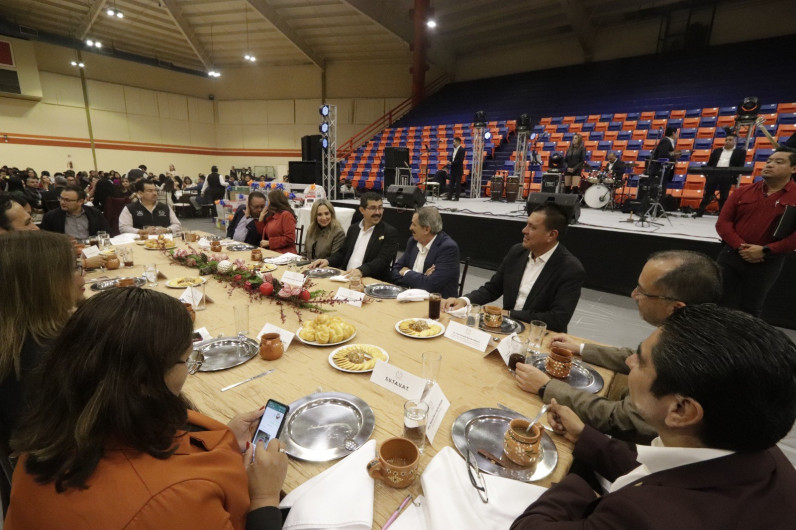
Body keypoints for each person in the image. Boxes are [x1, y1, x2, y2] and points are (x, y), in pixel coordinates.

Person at [5, 288, 288, 529]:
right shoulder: (174, 499)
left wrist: (221, 440)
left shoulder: (51, 437)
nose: (188, 371)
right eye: (186, 360)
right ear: (144, 380)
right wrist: (265, 497)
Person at [511, 304, 796, 529]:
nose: (629, 361)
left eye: (641, 360)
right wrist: (585, 436)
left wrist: (576, 484)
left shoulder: (640, 515)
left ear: (681, 410)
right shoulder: (761, 451)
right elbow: (658, 471)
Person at [515, 250, 722, 443]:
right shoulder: (694, 330)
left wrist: (546, 386)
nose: (633, 295)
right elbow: (634, 355)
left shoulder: (684, 358)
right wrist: (581, 348)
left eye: (642, 291)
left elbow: (621, 418)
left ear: (675, 307)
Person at [0, 231, 84, 450]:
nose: (82, 276)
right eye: (74, 267)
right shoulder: (50, 356)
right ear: (44, 284)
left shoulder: (15, 339)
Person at [443, 203, 584, 332]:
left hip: (540, 336)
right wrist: (465, 300)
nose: (524, 230)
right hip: (507, 328)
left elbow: (557, 320)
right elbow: (492, 288)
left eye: (532, 227)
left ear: (551, 235)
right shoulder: (517, 252)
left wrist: (508, 314)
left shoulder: (570, 269)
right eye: (526, 224)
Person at [715, 147, 796, 317]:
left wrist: (765, 250)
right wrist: (741, 247)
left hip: (767, 261)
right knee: (717, 301)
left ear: (793, 169)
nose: (770, 165)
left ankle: (743, 343)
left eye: (778, 162)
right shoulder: (742, 191)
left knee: (750, 308)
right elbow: (723, 223)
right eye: (768, 161)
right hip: (731, 255)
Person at [309, 192, 399, 281]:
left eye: (380, 208)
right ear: (362, 210)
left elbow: (383, 261)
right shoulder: (354, 229)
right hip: (345, 277)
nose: (378, 212)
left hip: (369, 279)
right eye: (373, 208)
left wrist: (361, 271)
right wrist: (328, 261)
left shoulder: (388, 232)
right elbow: (342, 253)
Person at [391, 206, 460, 298]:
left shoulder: (448, 248)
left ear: (427, 229)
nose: (410, 228)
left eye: (414, 225)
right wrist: (422, 277)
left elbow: (430, 285)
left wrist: (406, 272)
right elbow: (395, 271)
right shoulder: (413, 242)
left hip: (437, 305)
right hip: (410, 298)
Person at [694, 132, 747, 217]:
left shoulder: (740, 152)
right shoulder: (717, 150)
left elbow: (740, 166)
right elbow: (710, 163)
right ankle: (699, 212)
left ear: (735, 142)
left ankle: (722, 214)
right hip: (714, 174)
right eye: (726, 140)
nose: (727, 141)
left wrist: (733, 175)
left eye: (730, 140)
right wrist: (708, 173)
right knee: (707, 194)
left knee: (724, 196)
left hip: (727, 175)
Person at [40, 184, 110, 239]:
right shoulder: (50, 217)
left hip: (92, 250)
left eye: (67, 200)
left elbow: (107, 232)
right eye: (61, 198)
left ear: (80, 202)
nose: (62, 202)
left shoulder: (94, 213)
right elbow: (46, 242)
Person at [257, 189, 297, 254]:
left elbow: (290, 238)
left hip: (284, 254)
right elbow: (263, 234)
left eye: (268, 201)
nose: (267, 204)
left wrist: (270, 242)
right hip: (271, 252)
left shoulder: (286, 215)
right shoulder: (272, 216)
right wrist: (261, 219)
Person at [650, 127, 682, 193]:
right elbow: (663, 155)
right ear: (673, 133)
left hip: (663, 171)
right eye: (676, 133)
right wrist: (674, 157)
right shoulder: (666, 141)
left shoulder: (668, 141)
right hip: (659, 170)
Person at [446, 136, 465, 201]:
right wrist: (449, 161)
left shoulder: (462, 150)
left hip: (458, 169)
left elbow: (460, 160)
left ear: (458, 142)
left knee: (457, 184)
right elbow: (452, 158)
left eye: (454, 142)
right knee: (451, 183)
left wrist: (452, 163)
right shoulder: (453, 150)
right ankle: (449, 196)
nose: (453, 143)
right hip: (453, 169)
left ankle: (457, 197)